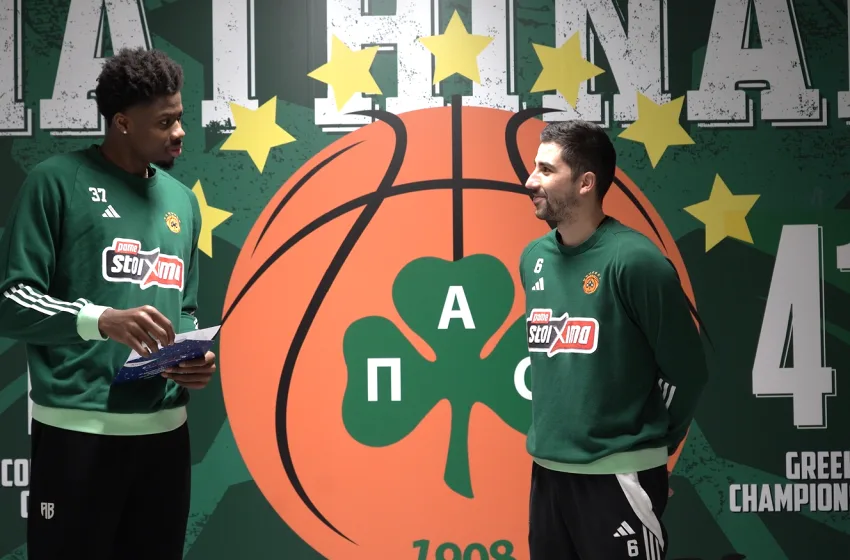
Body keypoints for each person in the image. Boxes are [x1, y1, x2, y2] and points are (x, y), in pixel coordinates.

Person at [0, 47, 215, 559]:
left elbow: (184, 308)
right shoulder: (55, 182)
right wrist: (100, 320)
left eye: (179, 117)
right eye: (164, 122)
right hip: (78, 434)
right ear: (122, 123)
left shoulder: (183, 202)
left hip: (165, 436)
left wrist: (193, 357)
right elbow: (12, 300)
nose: (179, 132)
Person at [520, 120, 709, 559]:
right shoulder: (534, 258)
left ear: (585, 183)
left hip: (619, 476)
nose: (530, 181)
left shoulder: (636, 261)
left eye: (546, 170)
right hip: (549, 474)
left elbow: (688, 372)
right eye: (534, 167)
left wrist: (649, 449)